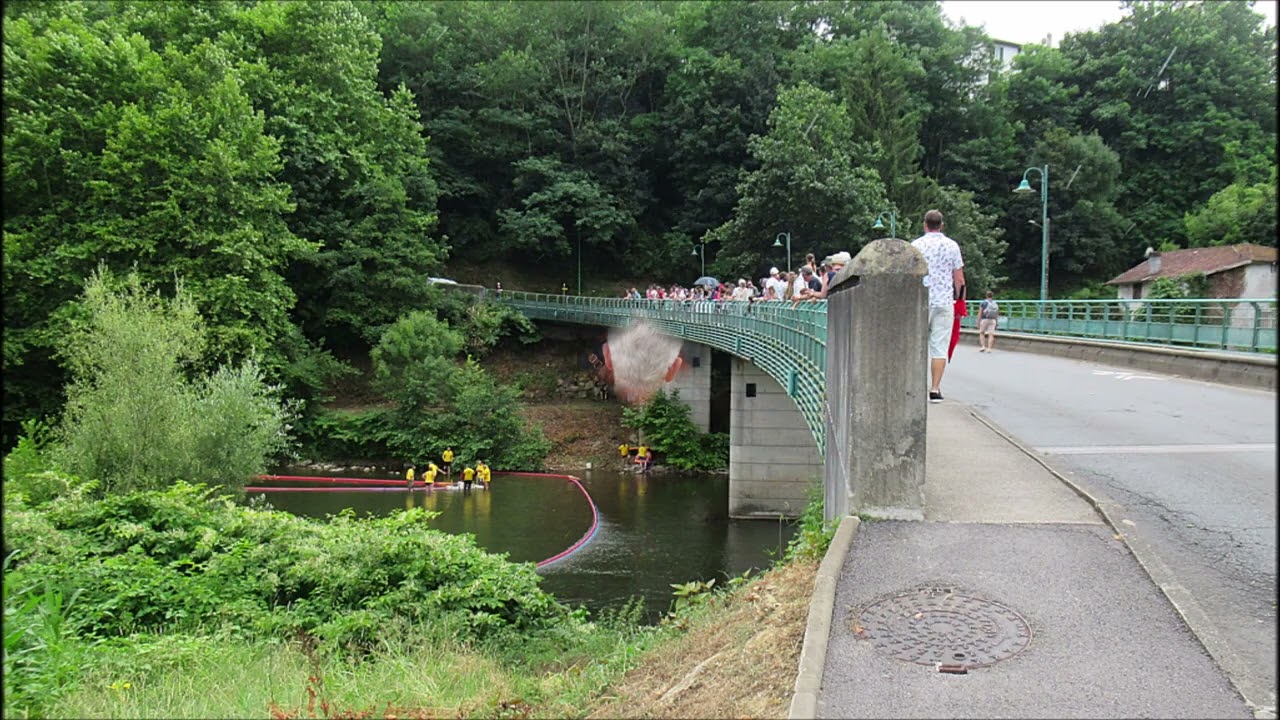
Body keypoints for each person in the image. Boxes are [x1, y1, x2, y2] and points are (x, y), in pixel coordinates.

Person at [910, 209, 965, 403]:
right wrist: (959, 300)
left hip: (920, 301)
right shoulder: (952, 246)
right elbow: (959, 279)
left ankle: (914, 386)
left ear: (925, 224)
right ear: (941, 225)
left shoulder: (915, 246)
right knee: (939, 347)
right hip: (943, 301)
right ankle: (934, 389)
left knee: (916, 344)